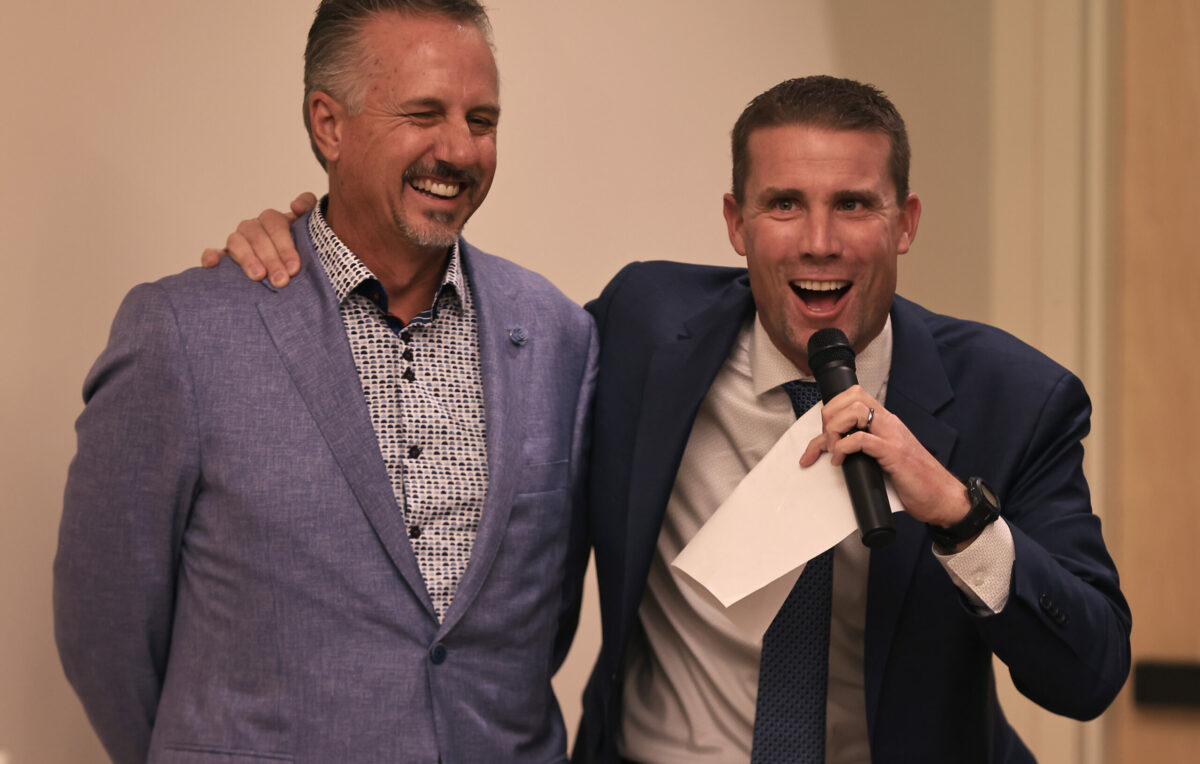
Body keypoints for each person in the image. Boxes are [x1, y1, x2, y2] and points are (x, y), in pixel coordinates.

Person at [209, 76, 1131, 763]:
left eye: (854, 205)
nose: (819, 241)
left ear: (905, 223)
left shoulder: (1016, 397)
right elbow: (439, 319)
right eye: (784, 205)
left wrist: (958, 517)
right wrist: (312, 241)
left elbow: (1089, 676)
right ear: (736, 223)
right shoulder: (640, 329)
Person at [54, 1, 596, 762]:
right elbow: (105, 623)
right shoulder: (183, 333)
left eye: (482, 119)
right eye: (423, 113)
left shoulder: (559, 335)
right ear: (328, 125)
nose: (459, 150)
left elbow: (548, 611)